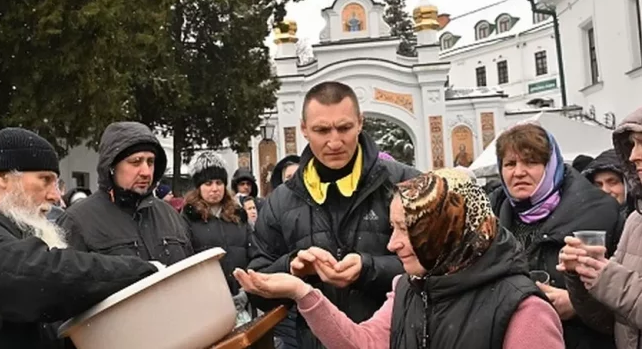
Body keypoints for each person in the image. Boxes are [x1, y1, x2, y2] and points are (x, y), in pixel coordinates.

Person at [235, 169, 564, 349]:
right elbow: (363, 344)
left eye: (407, 230)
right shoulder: (410, 288)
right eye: (392, 228)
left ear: (446, 230)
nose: (392, 244)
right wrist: (302, 292)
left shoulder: (524, 310)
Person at [0, 128, 164, 349]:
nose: (55, 196)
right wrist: (143, 271)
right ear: (2, 176)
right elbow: (40, 275)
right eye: (44, 180)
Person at [247, 81, 420, 348]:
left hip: (396, 339)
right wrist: (293, 268)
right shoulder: (281, 201)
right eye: (321, 130)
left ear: (360, 123)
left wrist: (368, 269)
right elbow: (256, 286)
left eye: (344, 127)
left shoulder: (406, 184)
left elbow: (439, 266)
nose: (334, 141)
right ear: (304, 129)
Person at [489, 123, 622, 349]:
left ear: (551, 166)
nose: (518, 172)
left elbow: (627, 297)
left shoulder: (601, 214)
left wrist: (577, 304)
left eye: (531, 162)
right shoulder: (488, 216)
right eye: (510, 164)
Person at [560, 106, 642, 349]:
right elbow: (609, 321)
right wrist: (582, 275)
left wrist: (607, 278)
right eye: (632, 145)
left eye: (640, 143)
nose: (632, 156)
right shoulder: (635, 222)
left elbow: (617, 288)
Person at [59, 122, 192, 266]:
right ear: (112, 167)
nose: (146, 172)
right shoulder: (77, 221)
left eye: (150, 162)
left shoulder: (170, 215)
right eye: (136, 162)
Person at [182, 152, 253, 323]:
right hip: (207, 304)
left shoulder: (238, 215)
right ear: (198, 186)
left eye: (219, 182)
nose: (215, 188)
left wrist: (247, 289)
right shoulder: (188, 218)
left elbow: (253, 251)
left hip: (243, 297)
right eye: (208, 183)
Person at [582, 148, 634, 217]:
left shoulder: (638, 221)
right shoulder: (584, 220)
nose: (605, 190)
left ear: (629, 184)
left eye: (613, 182)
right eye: (598, 185)